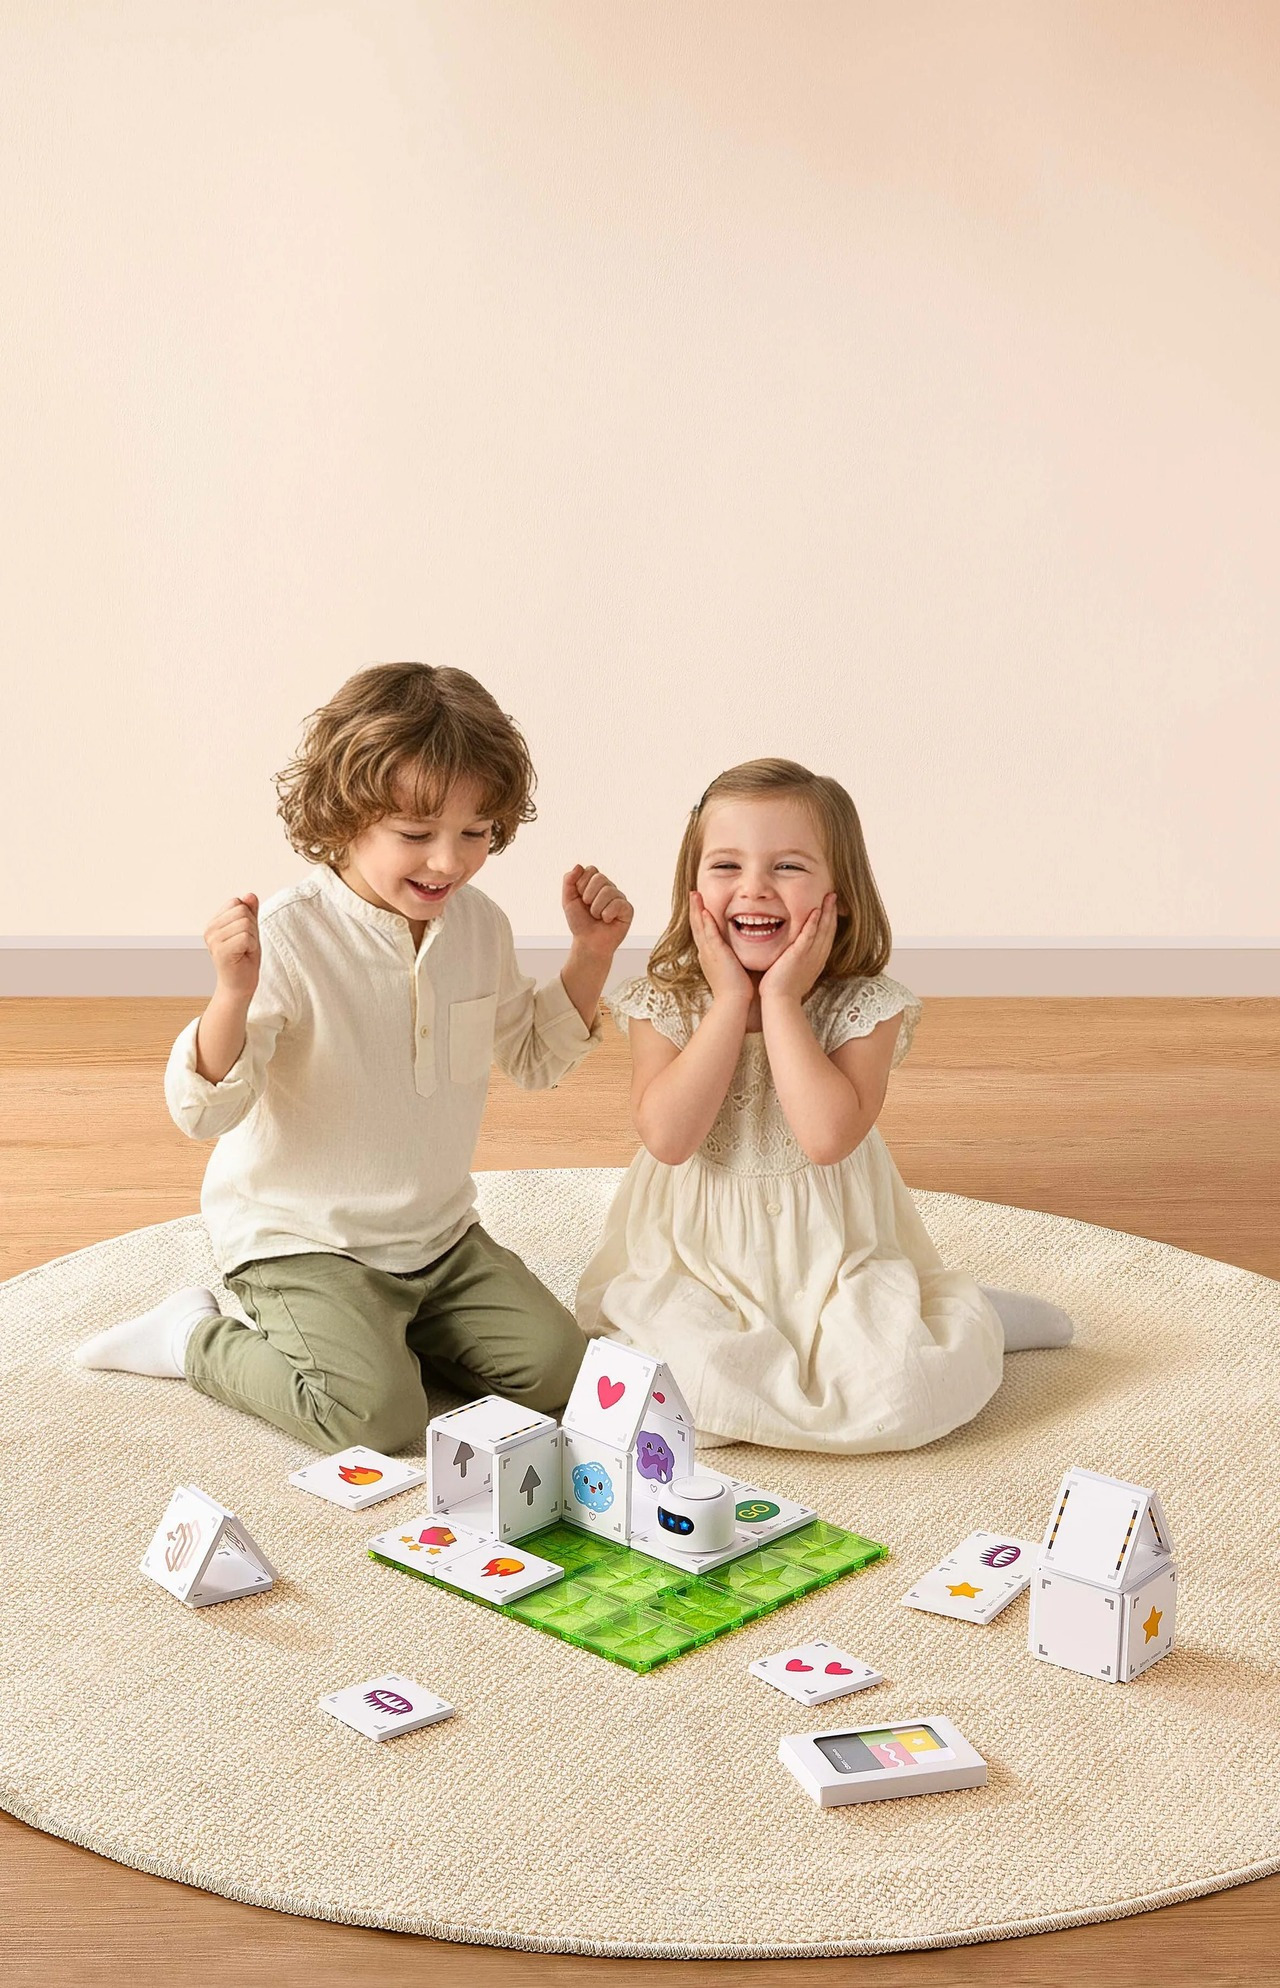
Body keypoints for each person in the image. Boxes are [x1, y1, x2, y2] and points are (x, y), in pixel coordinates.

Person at [76, 662, 633, 1451]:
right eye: (416, 835)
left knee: (563, 1375)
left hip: (440, 1239)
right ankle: (187, 1336)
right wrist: (232, 994)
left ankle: (390, 1337)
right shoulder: (290, 936)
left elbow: (535, 1057)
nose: (449, 862)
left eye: (475, 833)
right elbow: (204, 1112)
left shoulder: (480, 926)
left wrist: (591, 953)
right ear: (345, 818)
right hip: (304, 1241)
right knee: (377, 1421)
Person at [575, 757, 1071, 1453]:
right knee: (680, 1401)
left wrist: (779, 1000)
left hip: (835, 1258)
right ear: (693, 886)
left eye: (788, 867)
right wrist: (730, 1002)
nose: (754, 888)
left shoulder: (865, 1006)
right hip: (695, 1261)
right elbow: (668, 1137)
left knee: (904, 1390)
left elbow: (826, 1137)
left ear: (839, 895)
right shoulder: (668, 1001)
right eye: (726, 866)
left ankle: (969, 1317)